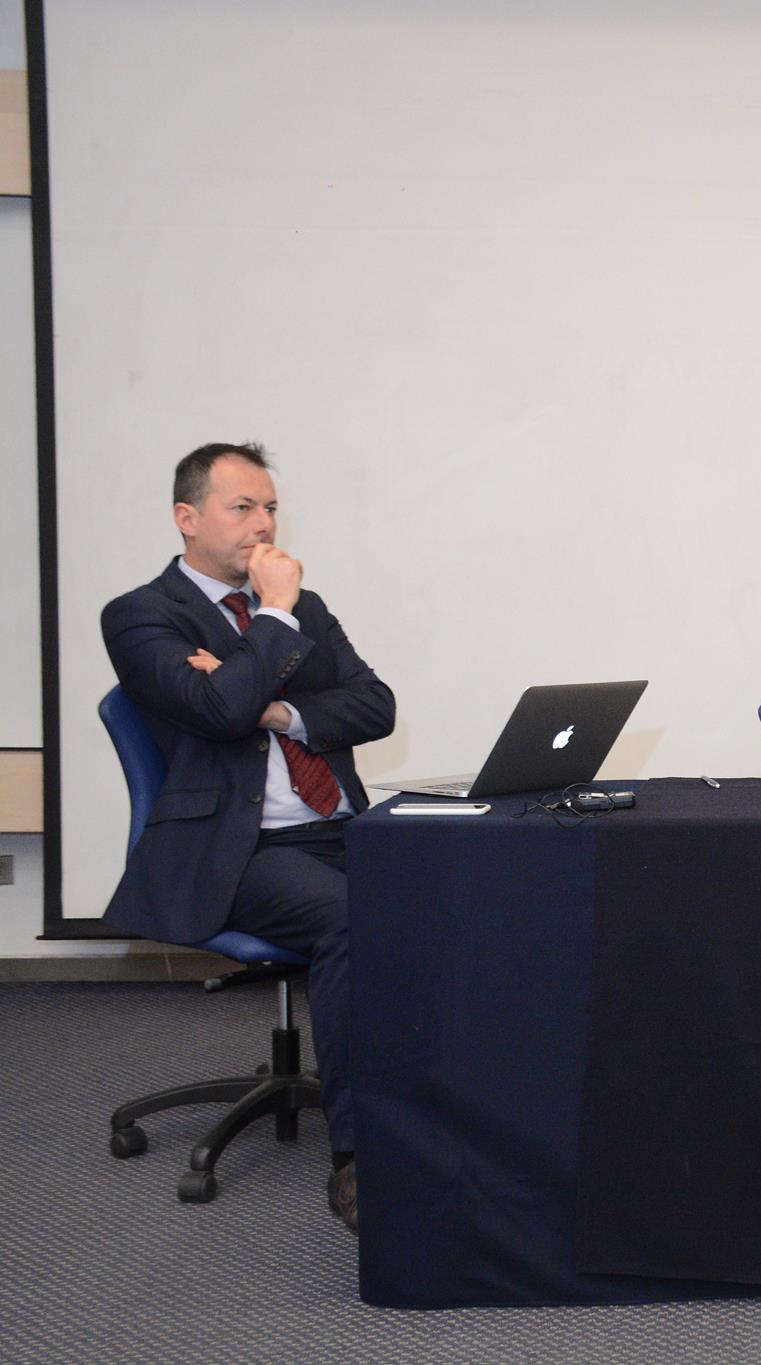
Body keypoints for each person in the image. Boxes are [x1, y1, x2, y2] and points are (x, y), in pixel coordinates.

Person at [101, 443, 396, 1234]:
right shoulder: (141, 615)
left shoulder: (308, 606)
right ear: (187, 517)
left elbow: (375, 706)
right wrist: (273, 616)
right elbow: (218, 711)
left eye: (270, 508)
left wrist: (278, 710)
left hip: (339, 826)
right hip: (238, 852)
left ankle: (454, 1115)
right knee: (350, 920)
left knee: (463, 888)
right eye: (243, 508)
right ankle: (360, 1159)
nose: (263, 524)